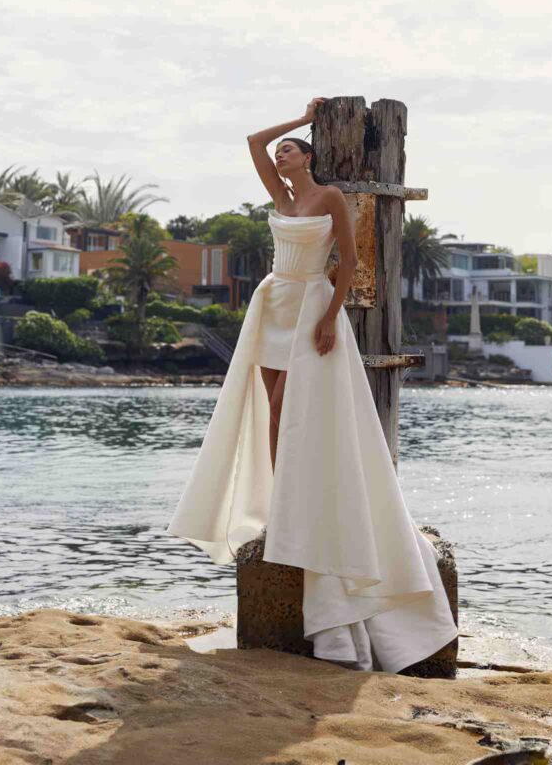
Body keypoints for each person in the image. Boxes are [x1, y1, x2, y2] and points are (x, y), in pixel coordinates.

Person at [166, 97, 459, 673]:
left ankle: (297, 503)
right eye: (283, 150)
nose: (281, 153)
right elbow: (253, 141)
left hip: (310, 306)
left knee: (289, 408)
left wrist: (331, 319)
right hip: (273, 303)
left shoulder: (327, 197)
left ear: (309, 157)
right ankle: (278, 505)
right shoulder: (284, 196)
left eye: (292, 148)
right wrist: (298, 119)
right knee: (267, 409)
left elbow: (348, 261)